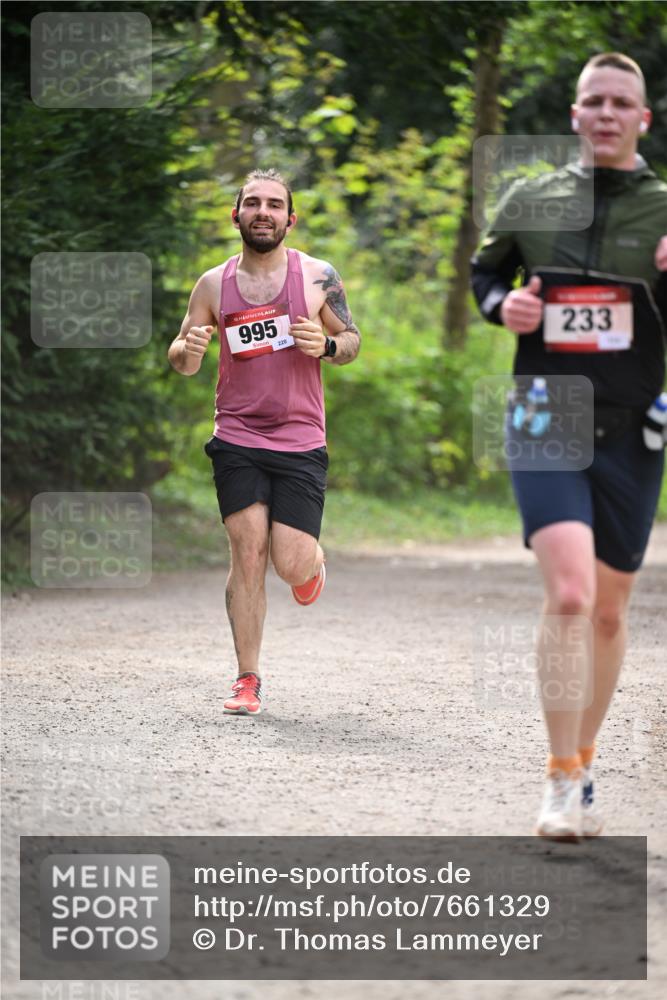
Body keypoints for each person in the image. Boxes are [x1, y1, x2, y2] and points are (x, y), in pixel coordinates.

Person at [471, 53, 667, 839]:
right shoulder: (529, 197)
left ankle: (583, 759)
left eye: (623, 102)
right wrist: (502, 308)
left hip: (634, 422)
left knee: (611, 613)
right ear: (576, 114)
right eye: (594, 101)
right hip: (543, 411)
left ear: (642, 120)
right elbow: (485, 276)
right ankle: (558, 779)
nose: (608, 113)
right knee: (571, 595)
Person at [168, 168, 360, 716]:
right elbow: (180, 356)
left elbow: (353, 340)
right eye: (252, 202)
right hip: (237, 433)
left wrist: (324, 345)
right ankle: (246, 679)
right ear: (237, 215)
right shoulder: (212, 284)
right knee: (246, 551)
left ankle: (311, 565)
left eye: (274, 204)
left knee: (289, 563)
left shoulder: (318, 277)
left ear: (289, 218)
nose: (263, 211)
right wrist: (190, 349)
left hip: (300, 437)